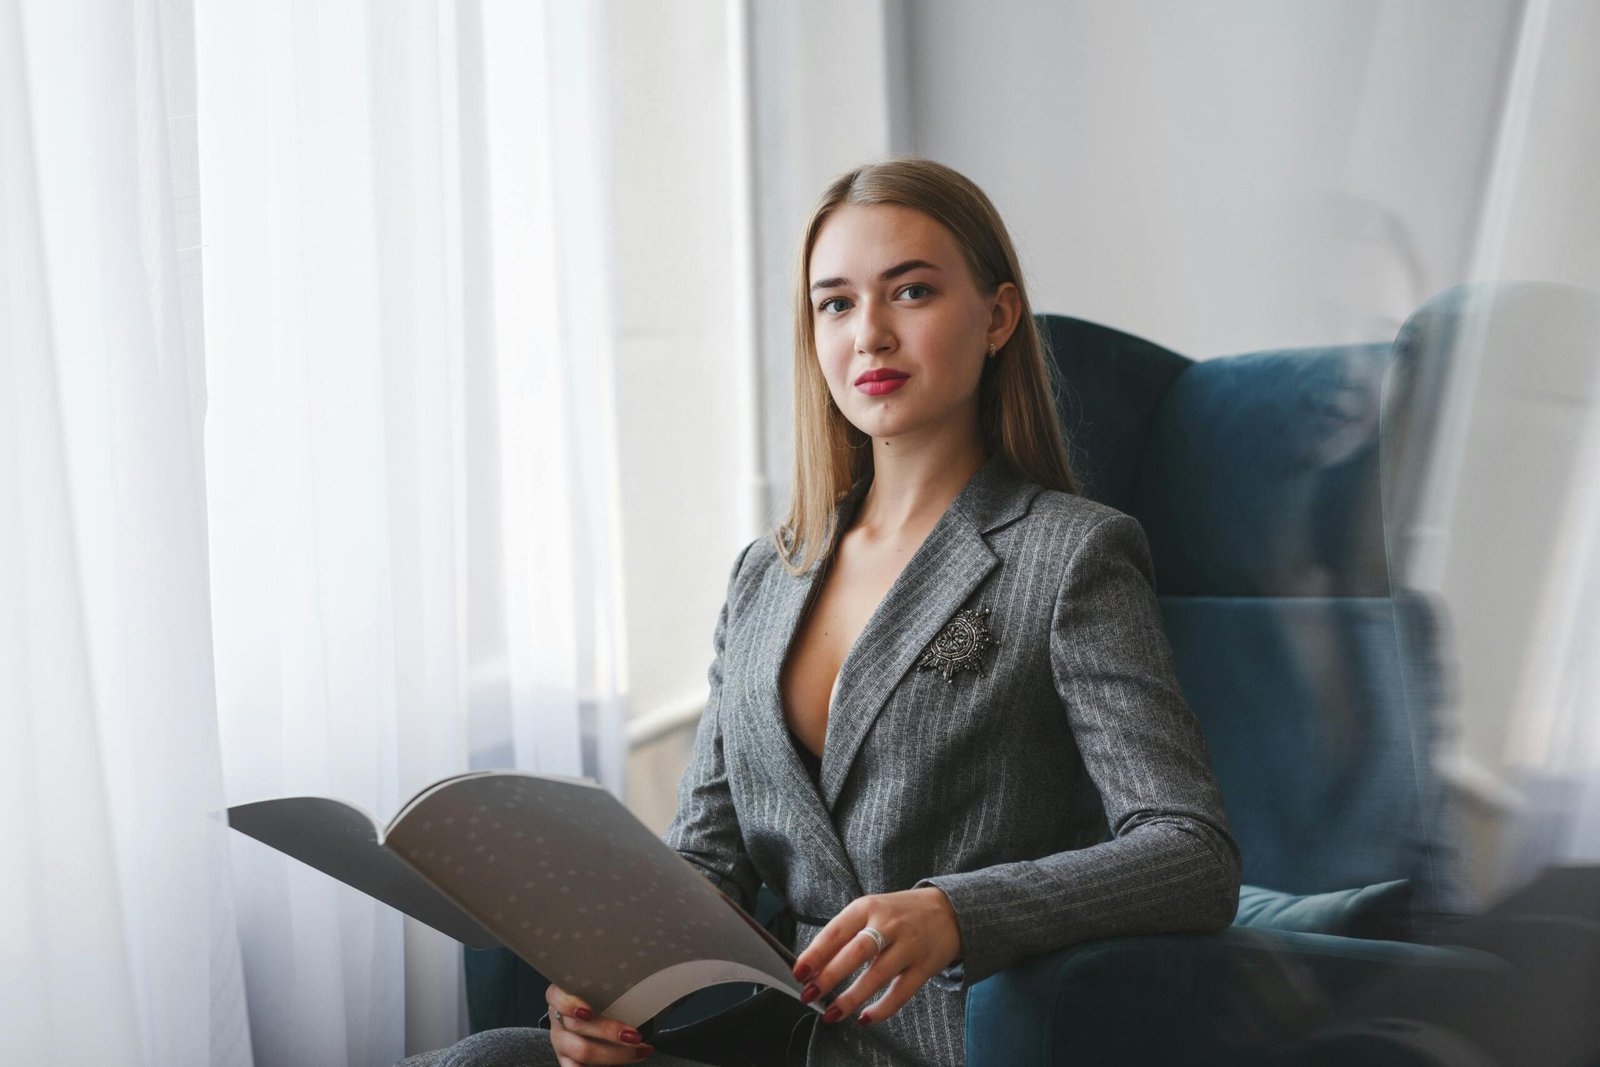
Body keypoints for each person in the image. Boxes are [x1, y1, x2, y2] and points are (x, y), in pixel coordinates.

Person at [400, 158, 1241, 1067]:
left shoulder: (1072, 553)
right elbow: (706, 862)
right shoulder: (767, 573)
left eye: (910, 292)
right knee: (488, 1057)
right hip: (757, 1041)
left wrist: (957, 912)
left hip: (950, 1043)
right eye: (835, 304)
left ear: (997, 316)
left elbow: (1191, 853)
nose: (870, 334)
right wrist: (611, 993)